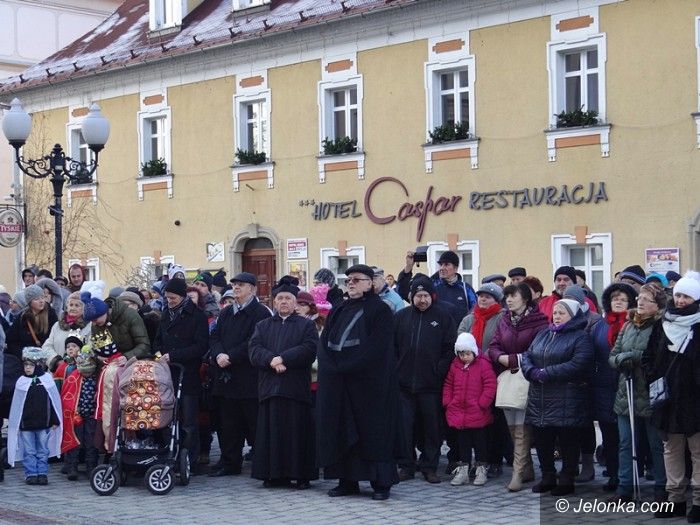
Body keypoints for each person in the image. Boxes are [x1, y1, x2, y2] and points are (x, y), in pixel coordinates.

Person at [317, 264, 400, 501]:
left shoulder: (380, 310)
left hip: (369, 385)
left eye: (356, 279)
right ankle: (347, 480)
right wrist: (331, 365)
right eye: (348, 280)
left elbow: (378, 347)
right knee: (343, 430)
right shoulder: (339, 309)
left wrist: (349, 365)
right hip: (341, 383)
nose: (351, 283)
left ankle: (381, 483)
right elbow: (325, 341)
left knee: (373, 433)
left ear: (369, 283)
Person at [249, 276, 319, 488]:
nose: (284, 302)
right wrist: (271, 359)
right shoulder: (263, 325)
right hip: (270, 387)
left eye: (288, 298)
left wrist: (283, 358)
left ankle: (300, 475)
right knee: (272, 434)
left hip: (295, 387)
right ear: (274, 301)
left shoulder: (306, 325)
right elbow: (254, 350)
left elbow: (309, 349)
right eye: (280, 298)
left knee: (297, 433)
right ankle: (274, 475)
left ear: (295, 302)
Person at [521, 299, 594, 496]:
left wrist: (548, 373)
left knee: (568, 441)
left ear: (573, 315)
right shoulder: (544, 333)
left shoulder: (580, 337)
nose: (557, 316)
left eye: (562, 313)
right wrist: (531, 371)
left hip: (567, 398)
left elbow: (579, 363)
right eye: (555, 312)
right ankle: (547, 476)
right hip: (540, 397)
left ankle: (567, 478)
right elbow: (527, 355)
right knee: (543, 440)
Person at [644, 272, 700, 520]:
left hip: (694, 399)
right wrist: (653, 378)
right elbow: (649, 356)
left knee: (698, 452)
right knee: (671, 450)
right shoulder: (662, 323)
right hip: (667, 399)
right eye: (678, 295)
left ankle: (698, 502)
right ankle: (674, 499)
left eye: (686, 296)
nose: (680, 300)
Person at [605, 283, 666, 505]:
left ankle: (662, 487)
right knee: (625, 442)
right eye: (639, 298)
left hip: (650, 392)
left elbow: (658, 355)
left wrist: (632, 356)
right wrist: (622, 359)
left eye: (646, 299)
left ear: (657, 305)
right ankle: (625, 488)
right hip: (627, 391)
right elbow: (613, 356)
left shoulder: (661, 326)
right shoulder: (628, 324)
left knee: (656, 444)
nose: (640, 302)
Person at [209, 272, 272, 477]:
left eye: (241, 285)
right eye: (234, 284)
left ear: (252, 289)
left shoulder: (260, 313)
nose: (236, 288)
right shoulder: (226, 312)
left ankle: (262, 462)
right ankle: (230, 462)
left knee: (253, 422)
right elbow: (215, 336)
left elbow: (255, 341)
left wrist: (231, 356)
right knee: (228, 424)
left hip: (248, 377)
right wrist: (219, 354)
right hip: (225, 377)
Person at [394, 276, 455, 484]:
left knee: (432, 428)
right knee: (404, 427)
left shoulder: (443, 317)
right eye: (418, 295)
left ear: (432, 296)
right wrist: (396, 369)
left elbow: (449, 348)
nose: (422, 300)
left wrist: (439, 370)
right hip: (403, 385)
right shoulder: (400, 317)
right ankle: (406, 465)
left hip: (431, 385)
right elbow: (392, 347)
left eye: (426, 295)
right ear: (412, 297)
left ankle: (430, 466)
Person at [488, 283, 548, 492]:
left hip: (528, 378)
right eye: (507, 296)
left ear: (525, 298)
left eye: (513, 295)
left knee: (522, 428)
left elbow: (538, 350)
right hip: (507, 377)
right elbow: (494, 345)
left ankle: (518, 473)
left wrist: (515, 359)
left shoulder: (539, 321)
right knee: (512, 427)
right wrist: (500, 357)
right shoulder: (504, 320)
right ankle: (527, 468)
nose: (509, 300)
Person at [153, 277, 209, 472]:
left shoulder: (197, 316)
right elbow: (158, 341)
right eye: (167, 297)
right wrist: (158, 356)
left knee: (189, 421)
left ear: (182, 296)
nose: (170, 301)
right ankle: (169, 454)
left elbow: (201, 346)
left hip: (188, 373)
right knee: (168, 417)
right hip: (167, 373)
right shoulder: (165, 314)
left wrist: (174, 356)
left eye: (173, 297)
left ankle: (190, 459)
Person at [590, 282, 637, 493]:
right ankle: (613, 473)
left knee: (626, 435)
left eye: (623, 299)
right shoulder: (600, 326)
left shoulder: (635, 324)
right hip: (603, 386)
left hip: (628, 384)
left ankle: (630, 474)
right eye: (614, 298)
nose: (618, 301)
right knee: (609, 434)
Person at [457, 282, 507, 478]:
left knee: (494, 420)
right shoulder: (469, 319)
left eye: (488, 296)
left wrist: (483, 358)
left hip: (493, 373)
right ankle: (474, 461)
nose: (483, 299)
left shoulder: (502, 317)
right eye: (481, 296)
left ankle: (494, 460)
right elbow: (460, 342)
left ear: (497, 300)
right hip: (469, 377)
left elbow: (501, 342)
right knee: (474, 421)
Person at [444, 332, 497, 487]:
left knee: (480, 443)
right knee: (463, 443)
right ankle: (463, 470)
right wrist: (448, 402)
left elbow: (490, 384)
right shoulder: (455, 366)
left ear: (473, 352)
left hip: (477, 412)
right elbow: (448, 384)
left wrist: (483, 403)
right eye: (461, 354)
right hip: (459, 412)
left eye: (467, 354)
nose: (464, 357)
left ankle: (481, 469)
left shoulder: (483, 365)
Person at [6, 346, 62, 485]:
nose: (27, 368)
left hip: (43, 423)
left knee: (43, 450)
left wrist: (55, 420)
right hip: (26, 425)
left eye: (30, 365)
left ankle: (42, 473)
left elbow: (53, 402)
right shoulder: (21, 382)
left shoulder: (47, 380)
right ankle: (31, 473)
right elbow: (17, 405)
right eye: (25, 365)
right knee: (29, 451)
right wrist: (17, 423)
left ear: (38, 365)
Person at [397, 250, 477, 326]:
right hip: (435, 333)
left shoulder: (466, 289)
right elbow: (403, 291)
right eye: (441, 264)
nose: (442, 268)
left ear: (455, 268)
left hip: (459, 334)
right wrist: (409, 266)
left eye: (446, 265)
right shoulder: (432, 285)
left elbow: (476, 311)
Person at [61, 347, 99, 480]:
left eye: (89, 372)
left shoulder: (97, 378)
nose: (87, 374)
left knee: (91, 441)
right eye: (85, 372)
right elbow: (67, 396)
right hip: (76, 416)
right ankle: (72, 466)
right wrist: (73, 409)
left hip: (91, 415)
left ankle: (91, 467)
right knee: (75, 441)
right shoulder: (73, 377)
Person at [6, 284, 58, 360]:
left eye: (42, 297)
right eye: (36, 299)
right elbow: (12, 340)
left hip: (47, 359)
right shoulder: (22, 317)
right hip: (27, 360)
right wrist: (23, 354)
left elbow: (55, 339)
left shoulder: (51, 315)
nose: (41, 301)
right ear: (29, 302)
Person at [42, 291, 91, 370]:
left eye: (77, 305)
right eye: (71, 305)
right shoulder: (57, 325)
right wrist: (57, 361)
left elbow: (90, 349)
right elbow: (47, 346)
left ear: (84, 308)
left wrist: (77, 362)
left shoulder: (89, 327)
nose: (73, 308)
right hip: (57, 371)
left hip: (79, 371)